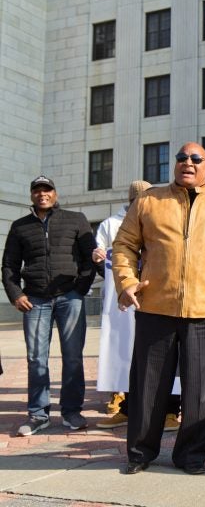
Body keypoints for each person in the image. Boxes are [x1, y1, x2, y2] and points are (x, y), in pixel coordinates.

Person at [112, 142, 205, 475]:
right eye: (182, 158)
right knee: (148, 388)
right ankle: (140, 453)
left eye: (196, 159)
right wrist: (126, 281)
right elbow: (123, 245)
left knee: (201, 393)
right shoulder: (148, 201)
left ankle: (191, 456)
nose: (188, 163)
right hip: (155, 308)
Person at [2, 175, 96, 436]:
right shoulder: (20, 227)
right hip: (35, 300)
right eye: (37, 190)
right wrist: (15, 294)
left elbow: (90, 258)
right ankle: (38, 414)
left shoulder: (76, 219)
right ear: (32, 195)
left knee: (74, 356)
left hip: (70, 298)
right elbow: (9, 265)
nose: (42, 194)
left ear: (55, 193)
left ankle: (71, 411)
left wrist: (81, 289)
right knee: (36, 359)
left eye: (47, 189)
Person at [93, 180, 181, 432]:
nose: (142, 203)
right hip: (127, 302)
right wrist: (100, 260)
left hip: (161, 298)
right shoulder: (114, 225)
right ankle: (127, 409)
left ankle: (171, 411)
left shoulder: (164, 220)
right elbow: (110, 263)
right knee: (129, 354)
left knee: (166, 355)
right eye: (137, 200)